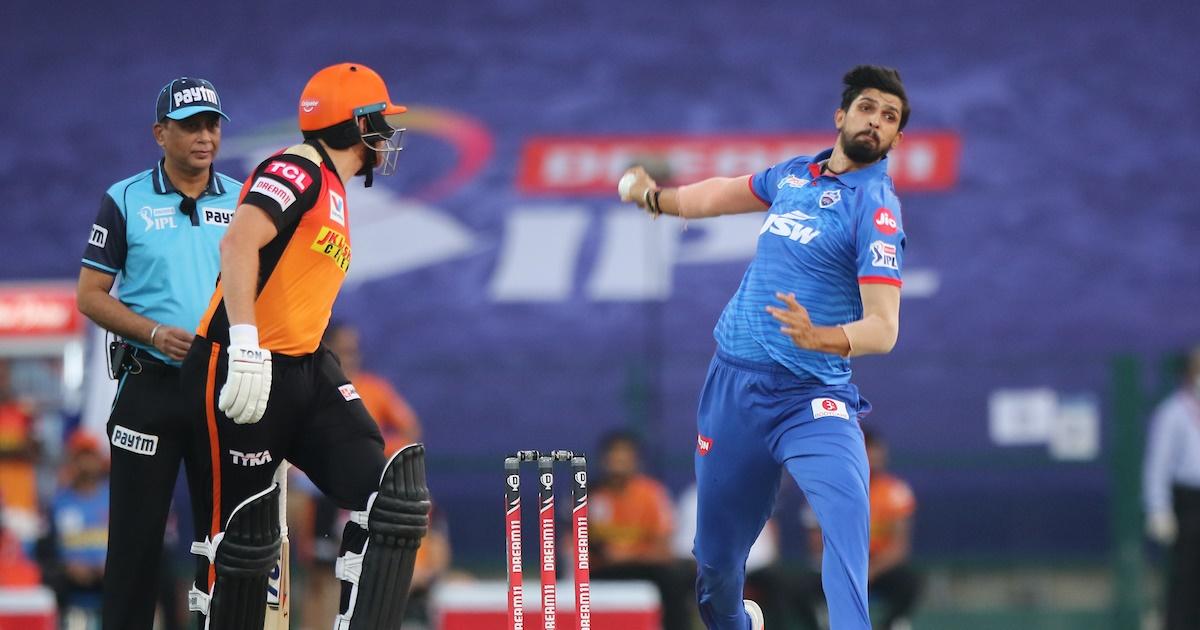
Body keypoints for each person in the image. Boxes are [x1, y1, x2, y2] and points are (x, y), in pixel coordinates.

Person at [620, 65, 910, 630]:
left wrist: (822, 337)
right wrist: (655, 198)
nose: (876, 121)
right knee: (716, 563)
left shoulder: (876, 208)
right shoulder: (794, 175)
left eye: (890, 117)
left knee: (846, 516)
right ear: (841, 116)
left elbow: (884, 328)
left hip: (812, 397)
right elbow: (722, 194)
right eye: (867, 108)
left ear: (896, 139)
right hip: (733, 389)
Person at [180, 62, 429, 630]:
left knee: (391, 499)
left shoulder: (334, 188)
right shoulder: (297, 168)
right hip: (240, 366)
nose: (388, 136)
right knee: (237, 545)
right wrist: (244, 343)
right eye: (381, 121)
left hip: (306, 365)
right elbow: (239, 243)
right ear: (358, 124)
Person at [75, 76, 239, 630]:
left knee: (227, 542)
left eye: (212, 125)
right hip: (149, 386)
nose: (204, 137)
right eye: (190, 126)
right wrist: (152, 333)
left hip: (220, 390)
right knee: (135, 545)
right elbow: (90, 296)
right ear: (160, 134)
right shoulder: (125, 198)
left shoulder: (245, 200)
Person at [803, 428, 921, 629]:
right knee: (800, 589)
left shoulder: (895, 492)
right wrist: (844, 567)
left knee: (909, 583)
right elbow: (816, 541)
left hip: (878, 565)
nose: (874, 460)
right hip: (841, 561)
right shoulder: (831, 488)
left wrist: (870, 570)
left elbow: (899, 547)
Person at [586, 431, 694, 630]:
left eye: (624, 458)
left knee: (677, 575)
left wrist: (626, 555)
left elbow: (663, 547)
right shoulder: (589, 495)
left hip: (644, 567)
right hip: (601, 569)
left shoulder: (651, 494)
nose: (619, 463)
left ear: (636, 461)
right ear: (604, 460)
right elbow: (578, 543)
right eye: (614, 457)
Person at [1143, 346, 1200, 630]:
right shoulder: (1173, 413)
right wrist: (1159, 508)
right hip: (1190, 503)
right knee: (1187, 576)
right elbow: (1158, 464)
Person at [44, 431, 110, 627]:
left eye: (90, 456)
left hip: (109, 591)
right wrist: (67, 567)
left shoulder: (114, 498)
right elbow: (49, 548)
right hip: (72, 593)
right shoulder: (60, 502)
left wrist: (110, 566)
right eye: (80, 456)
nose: (85, 463)